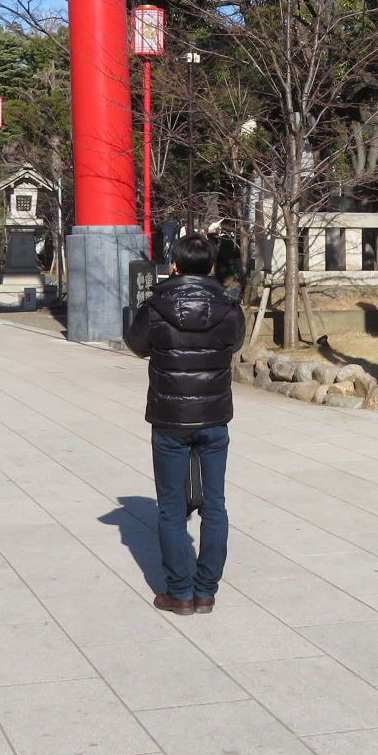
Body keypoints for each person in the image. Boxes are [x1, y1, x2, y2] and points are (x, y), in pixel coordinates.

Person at [124, 233, 244, 616]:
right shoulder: (229, 307)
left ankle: (179, 593)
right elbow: (235, 344)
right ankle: (206, 591)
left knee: (171, 507)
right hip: (214, 416)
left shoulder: (155, 307)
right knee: (215, 504)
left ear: (174, 266)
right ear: (211, 266)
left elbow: (136, 344)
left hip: (170, 418)